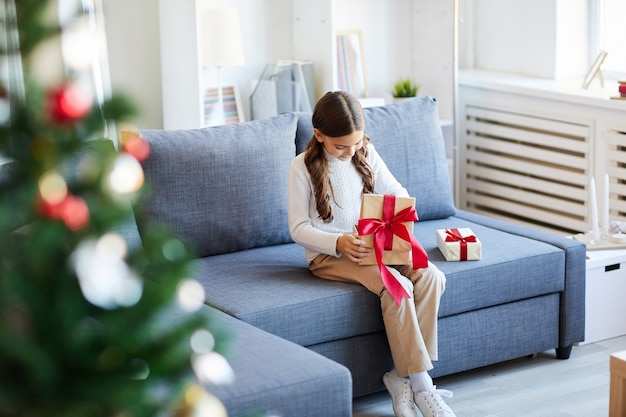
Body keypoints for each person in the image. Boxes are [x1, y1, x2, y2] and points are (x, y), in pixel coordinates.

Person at [287, 91, 456, 417]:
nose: (350, 152)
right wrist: (339, 243)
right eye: (341, 147)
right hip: (328, 256)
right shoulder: (301, 168)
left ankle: (400, 376)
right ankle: (423, 388)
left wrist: (388, 218)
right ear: (319, 135)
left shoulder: (364, 151)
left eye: (356, 142)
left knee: (432, 276)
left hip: (373, 244)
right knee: (398, 288)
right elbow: (298, 228)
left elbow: (397, 191)